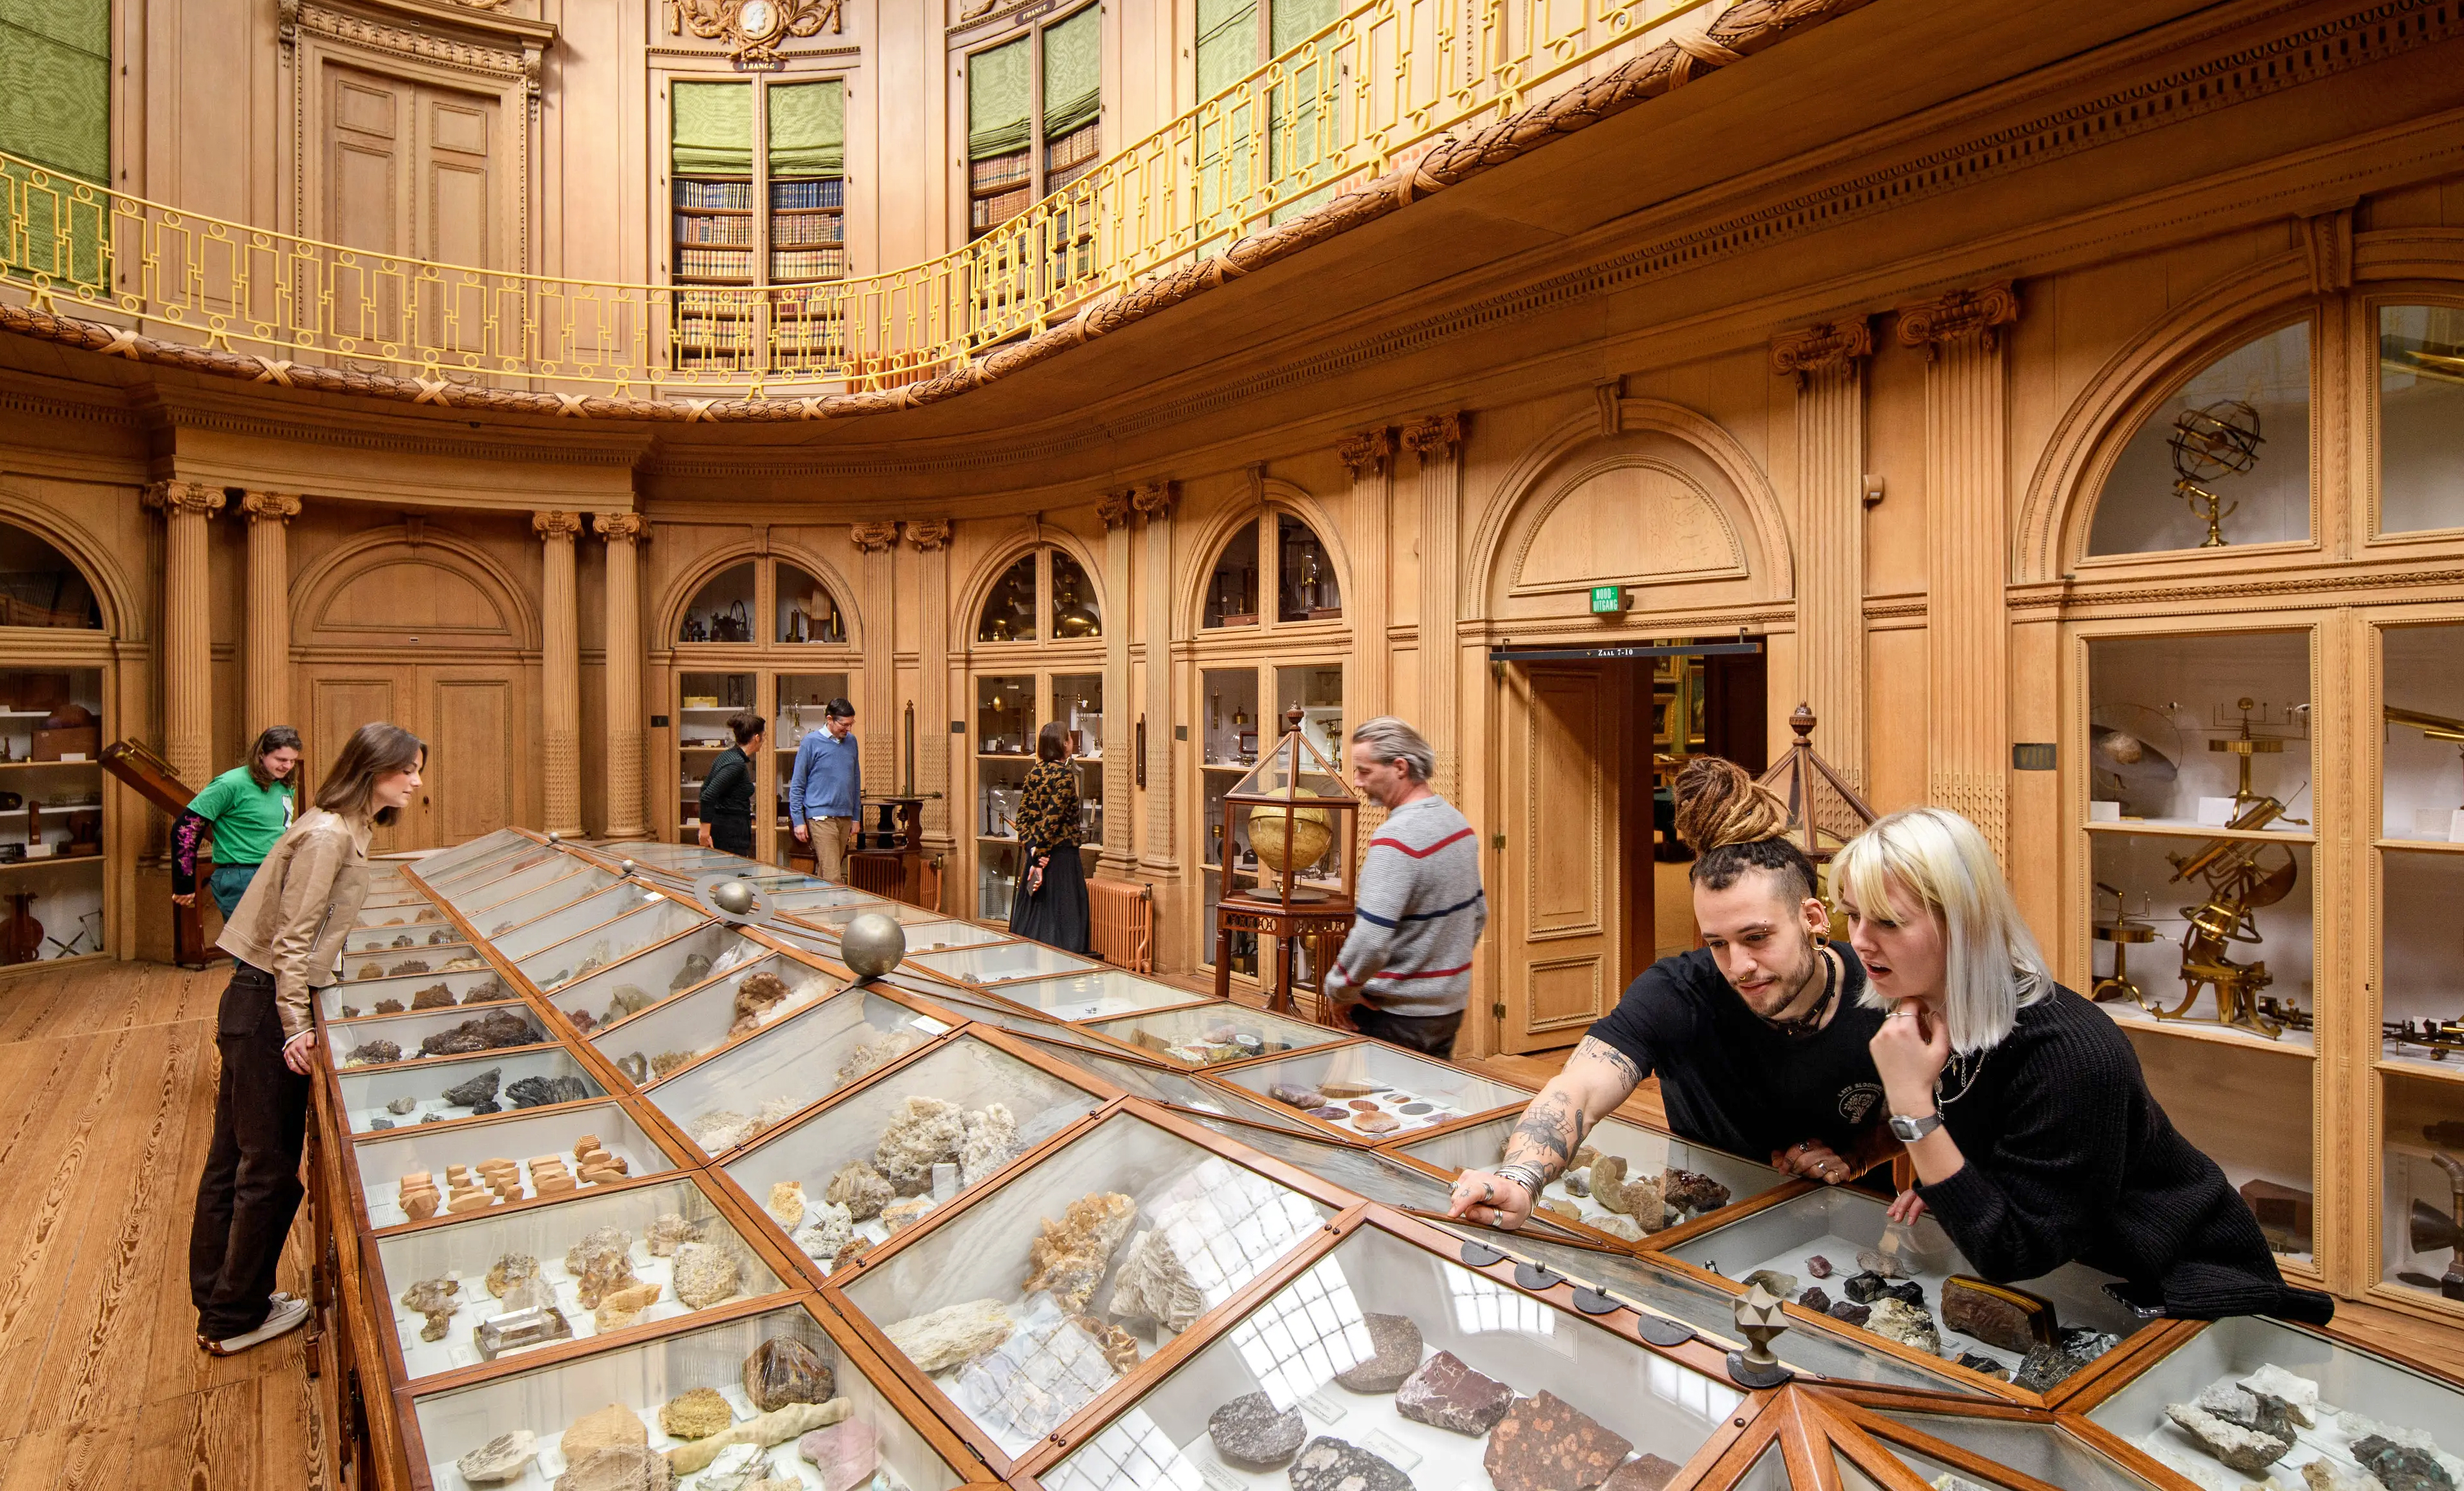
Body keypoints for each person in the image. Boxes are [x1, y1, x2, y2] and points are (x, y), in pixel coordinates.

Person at [1840, 807, 2333, 1322]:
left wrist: (1912, 1110)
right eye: (1852, 913)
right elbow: (2003, 1139)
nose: (1859, 939)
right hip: (2079, 1278)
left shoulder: (2071, 1054)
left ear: (1963, 922)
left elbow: (2013, 1251)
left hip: (2186, 1284)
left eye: (1889, 921)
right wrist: (1946, 1188)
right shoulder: (1928, 1009)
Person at [1448, 755, 1889, 1229]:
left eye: (1757, 937)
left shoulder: (1883, 992)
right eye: (1718, 943)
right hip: (1710, 1219)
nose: (1739, 966)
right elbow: (1578, 1088)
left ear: (1814, 918)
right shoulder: (1677, 992)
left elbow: (1930, 1117)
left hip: (1850, 1229)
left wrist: (1855, 1154)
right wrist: (1520, 1176)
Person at [191, 722, 425, 1356]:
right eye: (408, 770)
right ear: (373, 770)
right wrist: (296, 1028)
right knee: (266, 1172)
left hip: (257, 999)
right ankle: (233, 1318)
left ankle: (221, 1296)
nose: (417, 782)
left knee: (234, 1162)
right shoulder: (327, 834)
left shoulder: (340, 827)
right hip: (267, 1007)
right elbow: (291, 941)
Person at [1321, 716, 1486, 1058]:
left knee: (1383, 1109)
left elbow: (1371, 940)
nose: (1357, 782)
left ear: (1399, 767)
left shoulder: (1395, 841)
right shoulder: (1457, 824)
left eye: (1364, 771)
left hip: (1394, 1014)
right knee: (1428, 1106)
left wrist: (1340, 991)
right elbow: (1478, 916)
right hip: (1448, 1010)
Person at [171, 726, 304, 918]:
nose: (288, 766)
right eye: (281, 760)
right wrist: (184, 883)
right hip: (242, 876)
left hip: (278, 871)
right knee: (252, 947)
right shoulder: (230, 783)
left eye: (292, 760)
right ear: (261, 755)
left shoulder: (284, 783)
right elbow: (186, 829)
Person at [1007, 721, 1091, 952]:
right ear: (1064, 744)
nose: (1071, 742)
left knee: (1033, 923)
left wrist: (1033, 851)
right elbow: (1052, 820)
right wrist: (1040, 859)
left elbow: (1022, 818)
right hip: (1061, 860)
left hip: (1037, 856)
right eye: (1069, 738)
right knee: (1064, 926)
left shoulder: (1034, 772)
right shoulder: (1064, 776)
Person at [787, 697, 860, 882]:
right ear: (829, 719)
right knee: (833, 875)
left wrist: (856, 817)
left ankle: (817, 908)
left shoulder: (852, 742)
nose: (849, 729)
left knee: (827, 871)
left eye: (851, 724)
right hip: (820, 817)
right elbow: (797, 784)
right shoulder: (810, 742)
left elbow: (855, 780)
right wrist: (798, 821)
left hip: (845, 816)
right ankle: (838, 911)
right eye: (844, 724)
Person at [697, 712, 763, 857]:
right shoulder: (735, 764)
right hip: (729, 834)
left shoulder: (728, 756)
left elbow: (704, 789)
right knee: (729, 877)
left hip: (726, 828)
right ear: (757, 738)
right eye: (764, 736)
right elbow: (708, 796)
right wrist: (704, 833)